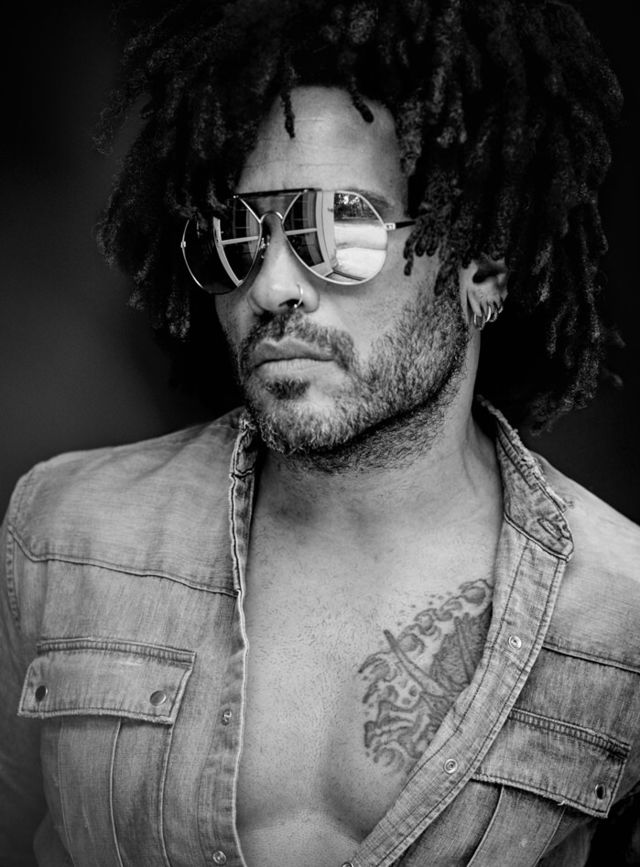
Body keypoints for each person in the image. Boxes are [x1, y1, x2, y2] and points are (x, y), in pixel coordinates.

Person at [1, 1, 639, 865]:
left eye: (339, 225)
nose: (271, 287)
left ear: (482, 265)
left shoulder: (621, 621)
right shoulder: (65, 535)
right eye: (236, 235)